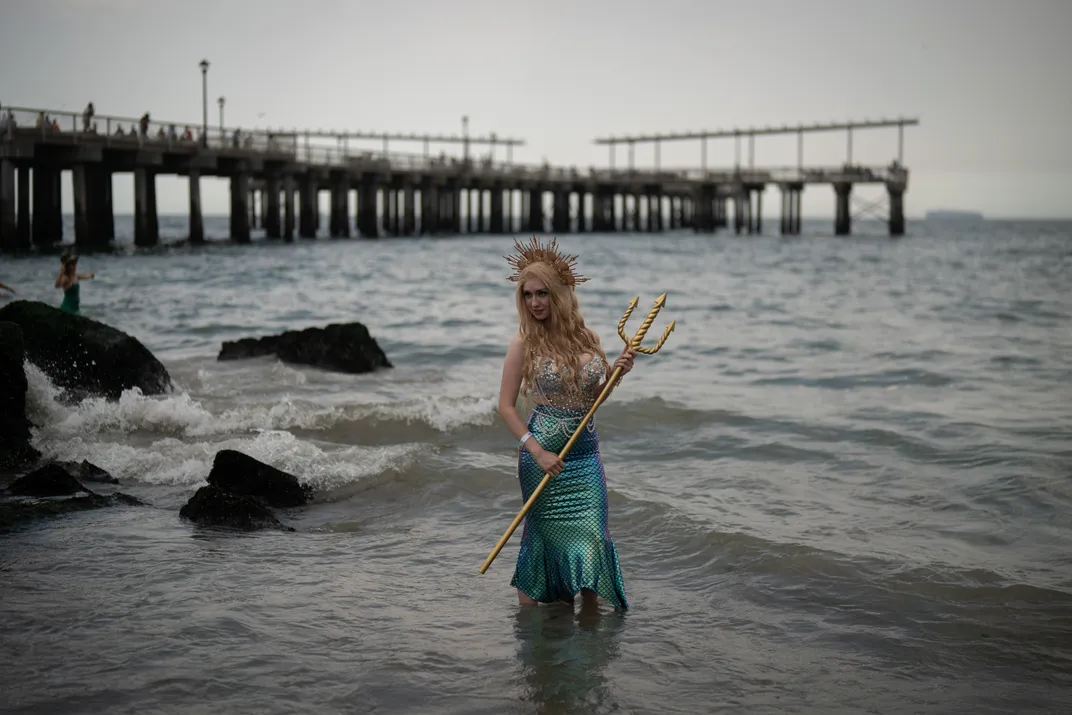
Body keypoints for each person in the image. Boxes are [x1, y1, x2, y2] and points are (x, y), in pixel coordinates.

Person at [497, 236, 637, 611]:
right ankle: (535, 632)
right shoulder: (522, 343)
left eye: (542, 293)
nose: (535, 303)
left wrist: (617, 374)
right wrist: (537, 450)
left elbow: (594, 400)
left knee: (593, 538)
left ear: (560, 293)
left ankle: (591, 636)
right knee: (542, 541)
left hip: (585, 457)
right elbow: (505, 407)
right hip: (543, 456)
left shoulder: (587, 338)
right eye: (528, 295)